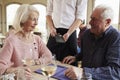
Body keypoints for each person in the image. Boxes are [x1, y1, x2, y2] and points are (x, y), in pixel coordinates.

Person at [63, 4, 120, 80]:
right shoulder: (86, 34)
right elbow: (84, 53)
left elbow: (115, 72)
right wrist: (76, 57)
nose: (90, 22)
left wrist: (83, 72)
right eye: (91, 18)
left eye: (94, 19)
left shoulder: (116, 38)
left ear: (107, 22)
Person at [0, 4, 52, 77]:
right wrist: (17, 71)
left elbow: (48, 57)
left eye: (37, 19)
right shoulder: (11, 41)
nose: (36, 23)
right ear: (23, 20)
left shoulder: (37, 39)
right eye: (33, 19)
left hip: (35, 77)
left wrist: (34, 62)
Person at [46, 0, 88, 64]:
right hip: (54, 32)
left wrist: (69, 33)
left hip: (70, 33)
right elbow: (48, 14)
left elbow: (80, 17)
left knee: (70, 64)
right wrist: (51, 28)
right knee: (47, 61)